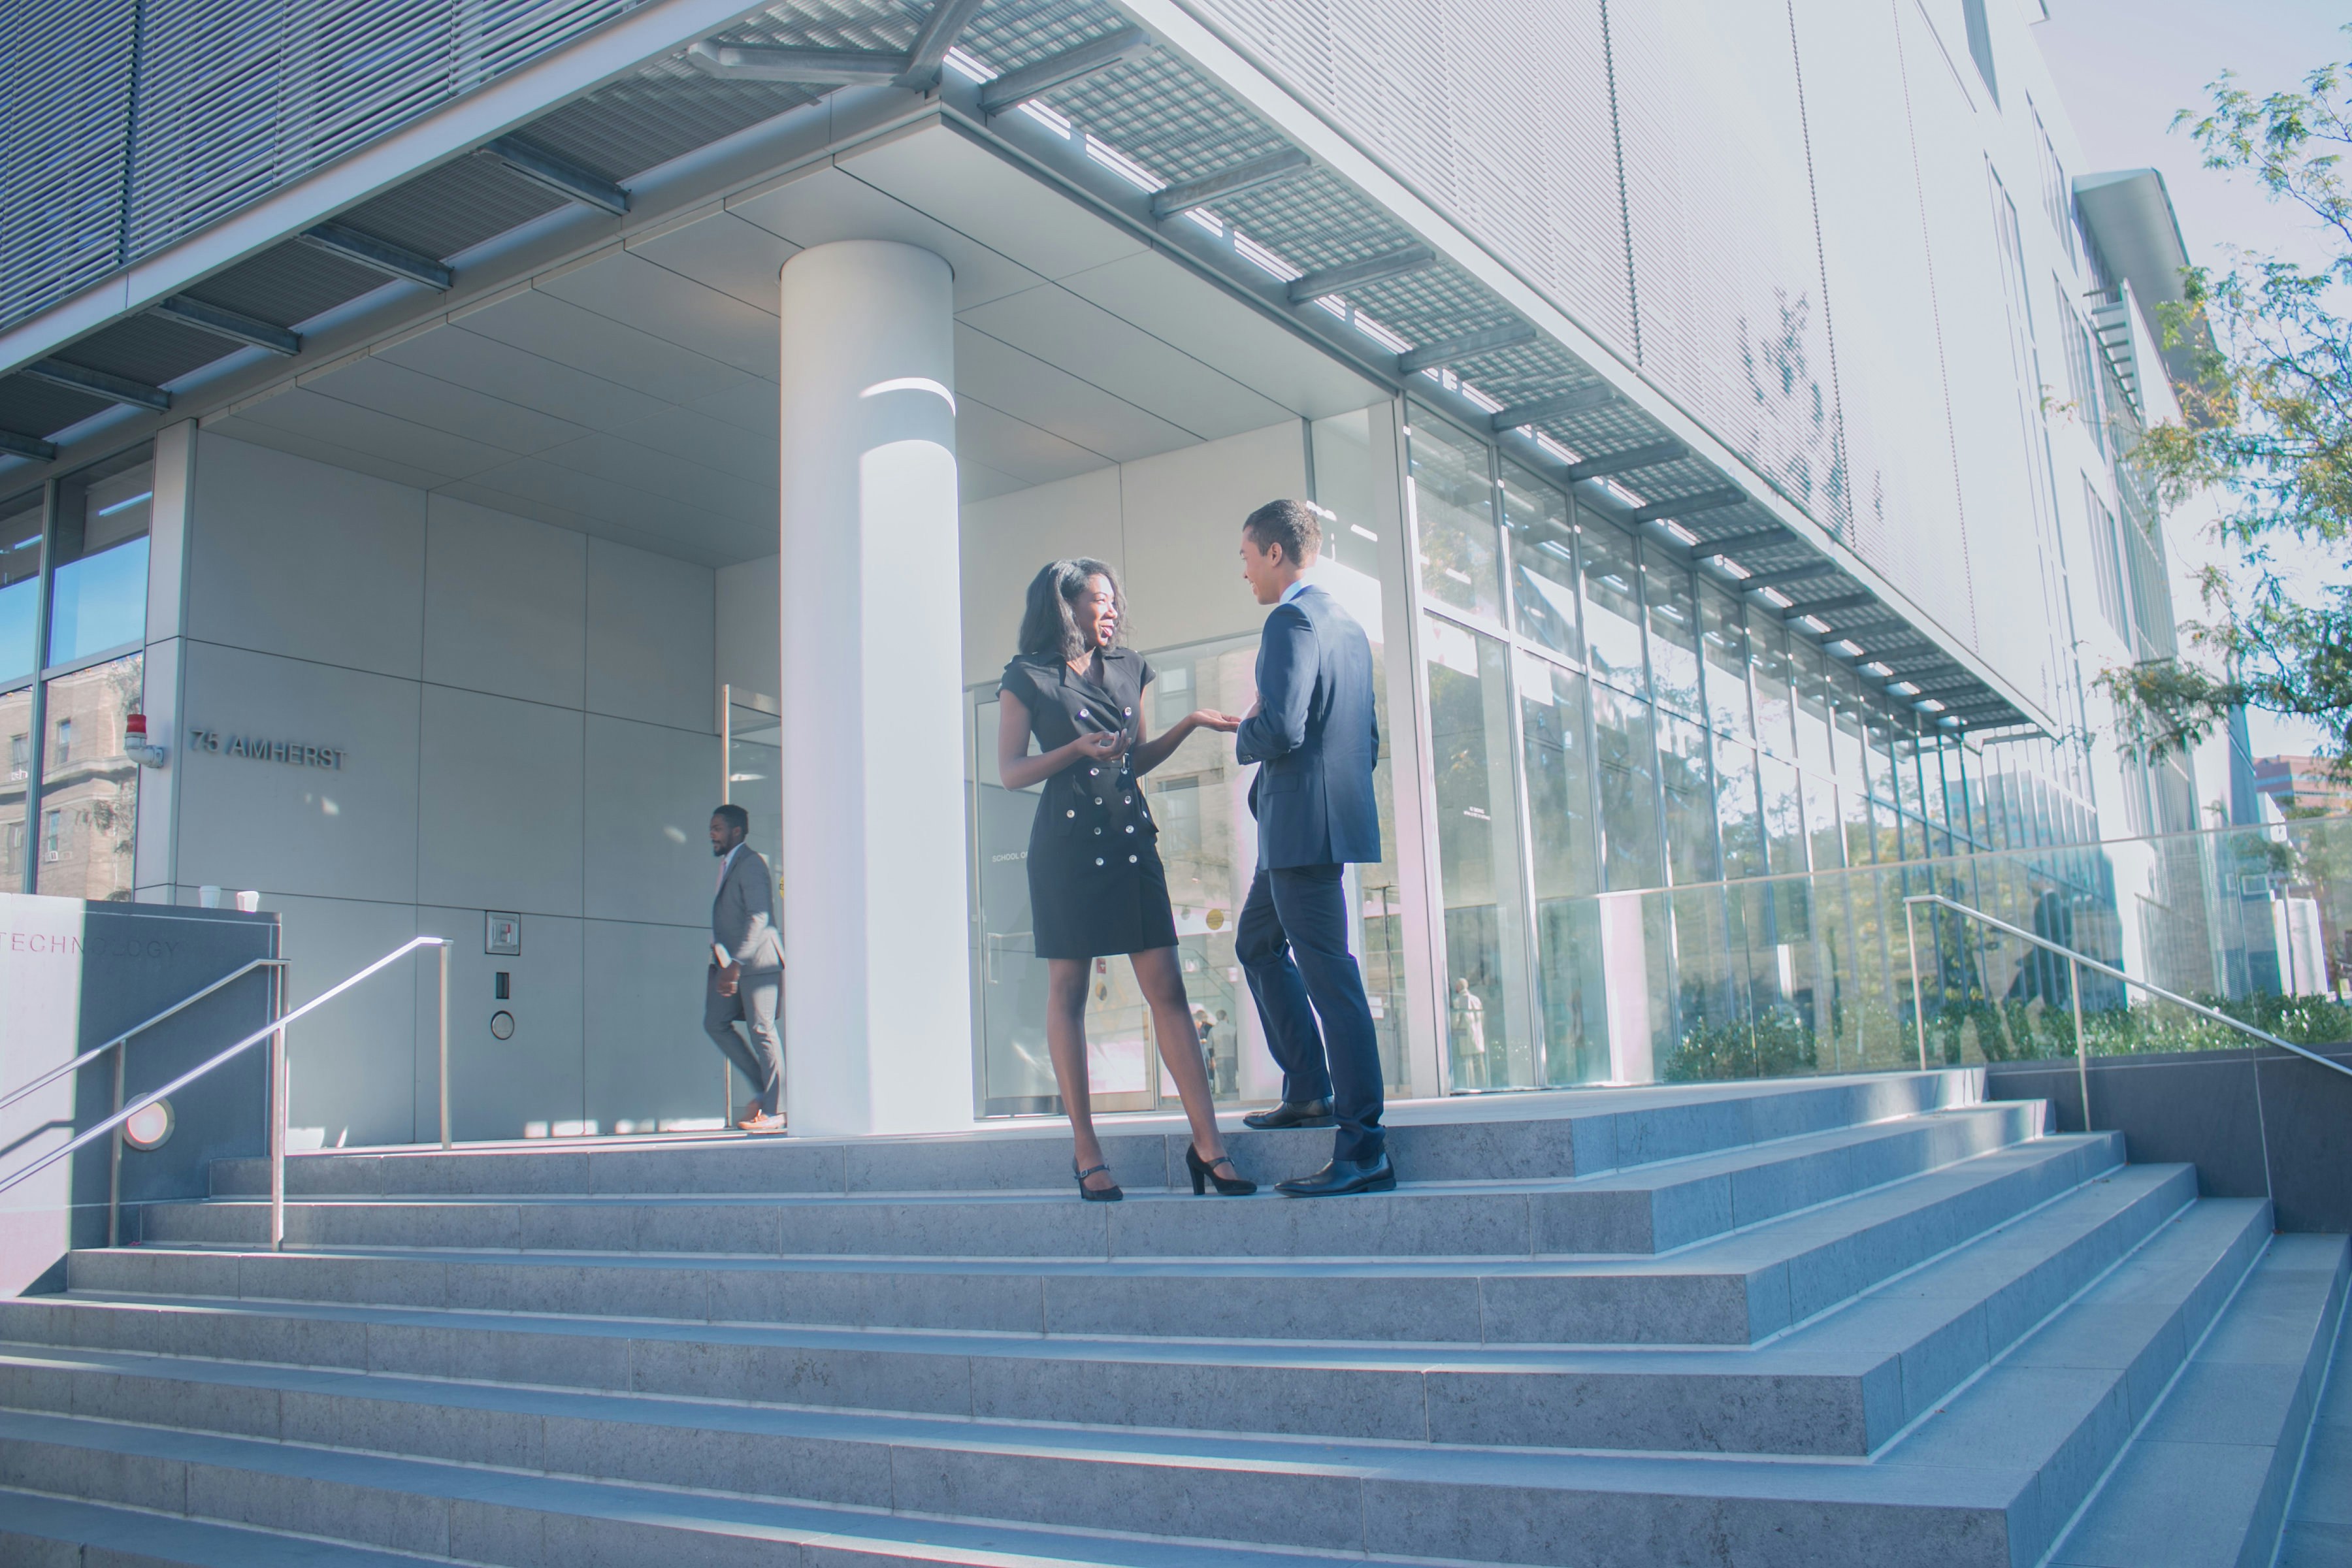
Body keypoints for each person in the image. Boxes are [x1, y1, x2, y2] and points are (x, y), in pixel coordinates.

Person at [998, 559, 1256, 1201]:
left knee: (1167, 987)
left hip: (1130, 841)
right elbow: (1010, 771)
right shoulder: (1027, 676)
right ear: (1067, 606)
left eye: (1115, 600)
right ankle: (1087, 1152)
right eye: (1099, 600)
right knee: (1070, 992)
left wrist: (1191, 722)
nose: (1112, 610)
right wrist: (1075, 752)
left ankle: (1210, 1148)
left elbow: (1133, 759)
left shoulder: (1131, 667)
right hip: (1064, 849)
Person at [1230, 500, 1393, 1196]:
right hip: (1310, 828)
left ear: (1275, 553)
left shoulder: (1290, 620)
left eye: (1245, 557)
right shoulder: (1348, 627)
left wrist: (1243, 731)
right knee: (1256, 945)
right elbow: (1369, 744)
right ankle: (1308, 1091)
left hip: (1300, 834)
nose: (1244, 573)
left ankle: (1366, 1149)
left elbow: (1282, 729)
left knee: (1334, 981)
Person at [706, 804, 786, 1134]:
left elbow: (759, 916)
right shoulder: (728, 864)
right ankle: (763, 1092)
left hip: (758, 963)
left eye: (718, 828)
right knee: (715, 1022)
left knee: (762, 1031)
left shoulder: (750, 863)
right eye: (712, 827)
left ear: (736, 831)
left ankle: (778, 1109)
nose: (712, 833)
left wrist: (737, 963)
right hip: (728, 964)